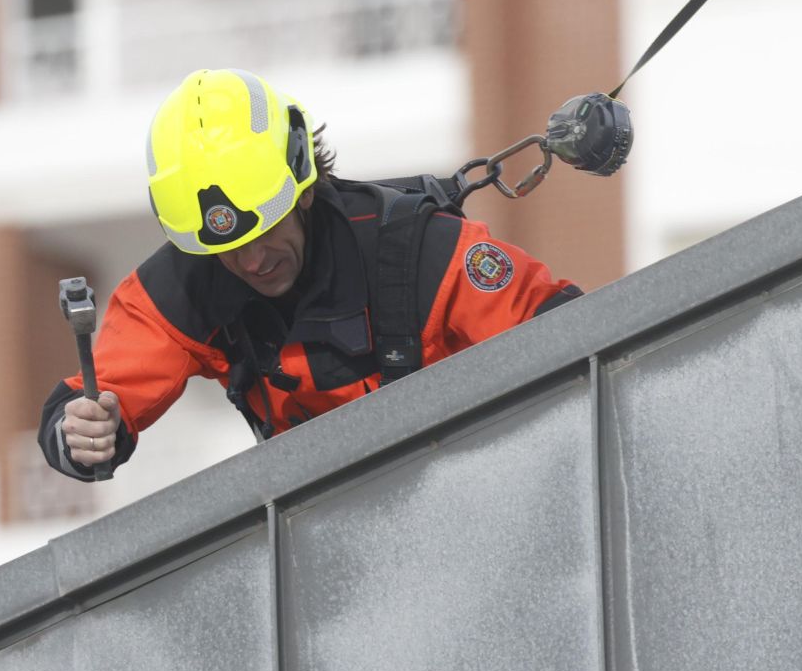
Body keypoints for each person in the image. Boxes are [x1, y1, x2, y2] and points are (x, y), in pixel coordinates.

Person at [40, 68, 582, 480]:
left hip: (478, 487)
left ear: (301, 187)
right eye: (229, 249)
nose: (251, 262)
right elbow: (92, 399)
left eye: (266, 232)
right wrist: (84, 431)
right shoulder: (184, 287)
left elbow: (568, 334)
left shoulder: (420, 252)